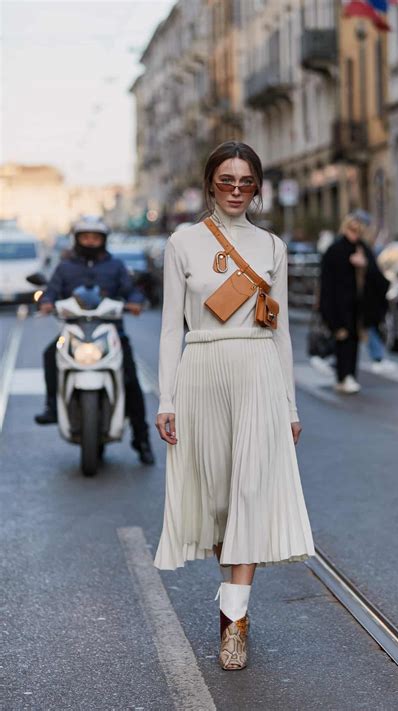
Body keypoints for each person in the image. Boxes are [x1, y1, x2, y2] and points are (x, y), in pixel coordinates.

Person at [154, 141, 315, 670]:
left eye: (246, 182)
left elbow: (283, 330)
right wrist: (166, 398)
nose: (237, 190)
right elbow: (168, 328)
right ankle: (229, 600)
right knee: (221, 500)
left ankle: (234, 626)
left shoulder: (271, 246)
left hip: (257, 371)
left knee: (249, 491)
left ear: (258, 188)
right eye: (227, 181)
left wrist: (290, 405)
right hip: (201, 369)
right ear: (210, 184)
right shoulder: (182, 242)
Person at [35, 216, 155, 465]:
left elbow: (131, 290)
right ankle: (52, 406)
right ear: (77, 239)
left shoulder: (116, 266)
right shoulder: (65, 267)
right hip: (75, 331)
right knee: (49, 354)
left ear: (103, 240)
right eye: (85, 237)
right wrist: (46, 302)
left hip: (112, 332)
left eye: (96, 237)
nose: (90, 241)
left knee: (131, 380)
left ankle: (141, 440)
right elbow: (51, 291)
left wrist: (135, 301)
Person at [319, 213, 389, 394]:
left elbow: (379, 280)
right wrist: (327, 311)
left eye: (359, 230)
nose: (355, 233)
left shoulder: (363, 249)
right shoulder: (335, 250)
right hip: (339, 306)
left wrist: (364, 265)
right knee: (343, 339)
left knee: (354, 341)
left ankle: (349, 376)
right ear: (345, 228)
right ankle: (343, 376)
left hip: (360, 307)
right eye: (352, 229)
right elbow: (326, 284)